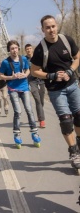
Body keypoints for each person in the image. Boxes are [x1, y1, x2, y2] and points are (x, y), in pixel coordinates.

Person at [30, 14, 80, 171]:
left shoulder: (66, 40)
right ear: (43, 30)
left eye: (53, 26)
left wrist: (70, 71)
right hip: (55, 90)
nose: (51, 30)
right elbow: (34, 71)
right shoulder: (40, 49)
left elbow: (77, 57)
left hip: (72, 85)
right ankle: (74, 152)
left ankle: (78, 143)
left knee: (78, 116)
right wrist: (51, 75)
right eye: (47, 28)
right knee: (66, 120)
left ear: (56, 26)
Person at [0, 40, 40, 148]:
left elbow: (28, 70)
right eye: (12, 48)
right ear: (9, 50)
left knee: (29, 109)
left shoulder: (24, 59)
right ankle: (17, 134)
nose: (14, 50)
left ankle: (34, 133)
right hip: (12, 89)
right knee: (18, 111)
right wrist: (11, 77)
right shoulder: (5, 62)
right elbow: (0, 75)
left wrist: (24, 75)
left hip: (24, 88)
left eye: (16, 48)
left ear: (18, 49)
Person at [25, 44, 46, 128]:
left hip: (41, 80)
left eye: (30, 48)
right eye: (27, 49)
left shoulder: (38, 57)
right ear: (25, 50)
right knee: (37, 100)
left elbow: (44, 67)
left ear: (32, 49)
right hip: (32, 81)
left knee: (41, 101)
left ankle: (39, 113)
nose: (29, 50)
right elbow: (24, 71)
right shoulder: (24, 60)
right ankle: (42, 120)